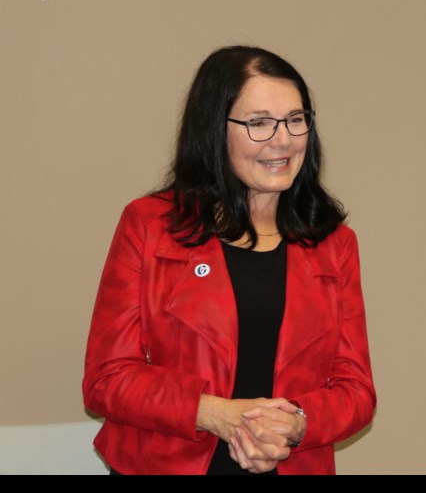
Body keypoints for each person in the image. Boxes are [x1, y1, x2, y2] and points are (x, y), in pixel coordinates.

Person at [83, 46, 375, 474]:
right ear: (213, 131)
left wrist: (295, 423)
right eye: (258, 123)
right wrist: (216, 414)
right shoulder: (149, 226)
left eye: (296, 120)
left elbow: (356, 391)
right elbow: (106, 380)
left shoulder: (334, 243)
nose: (282, 139)